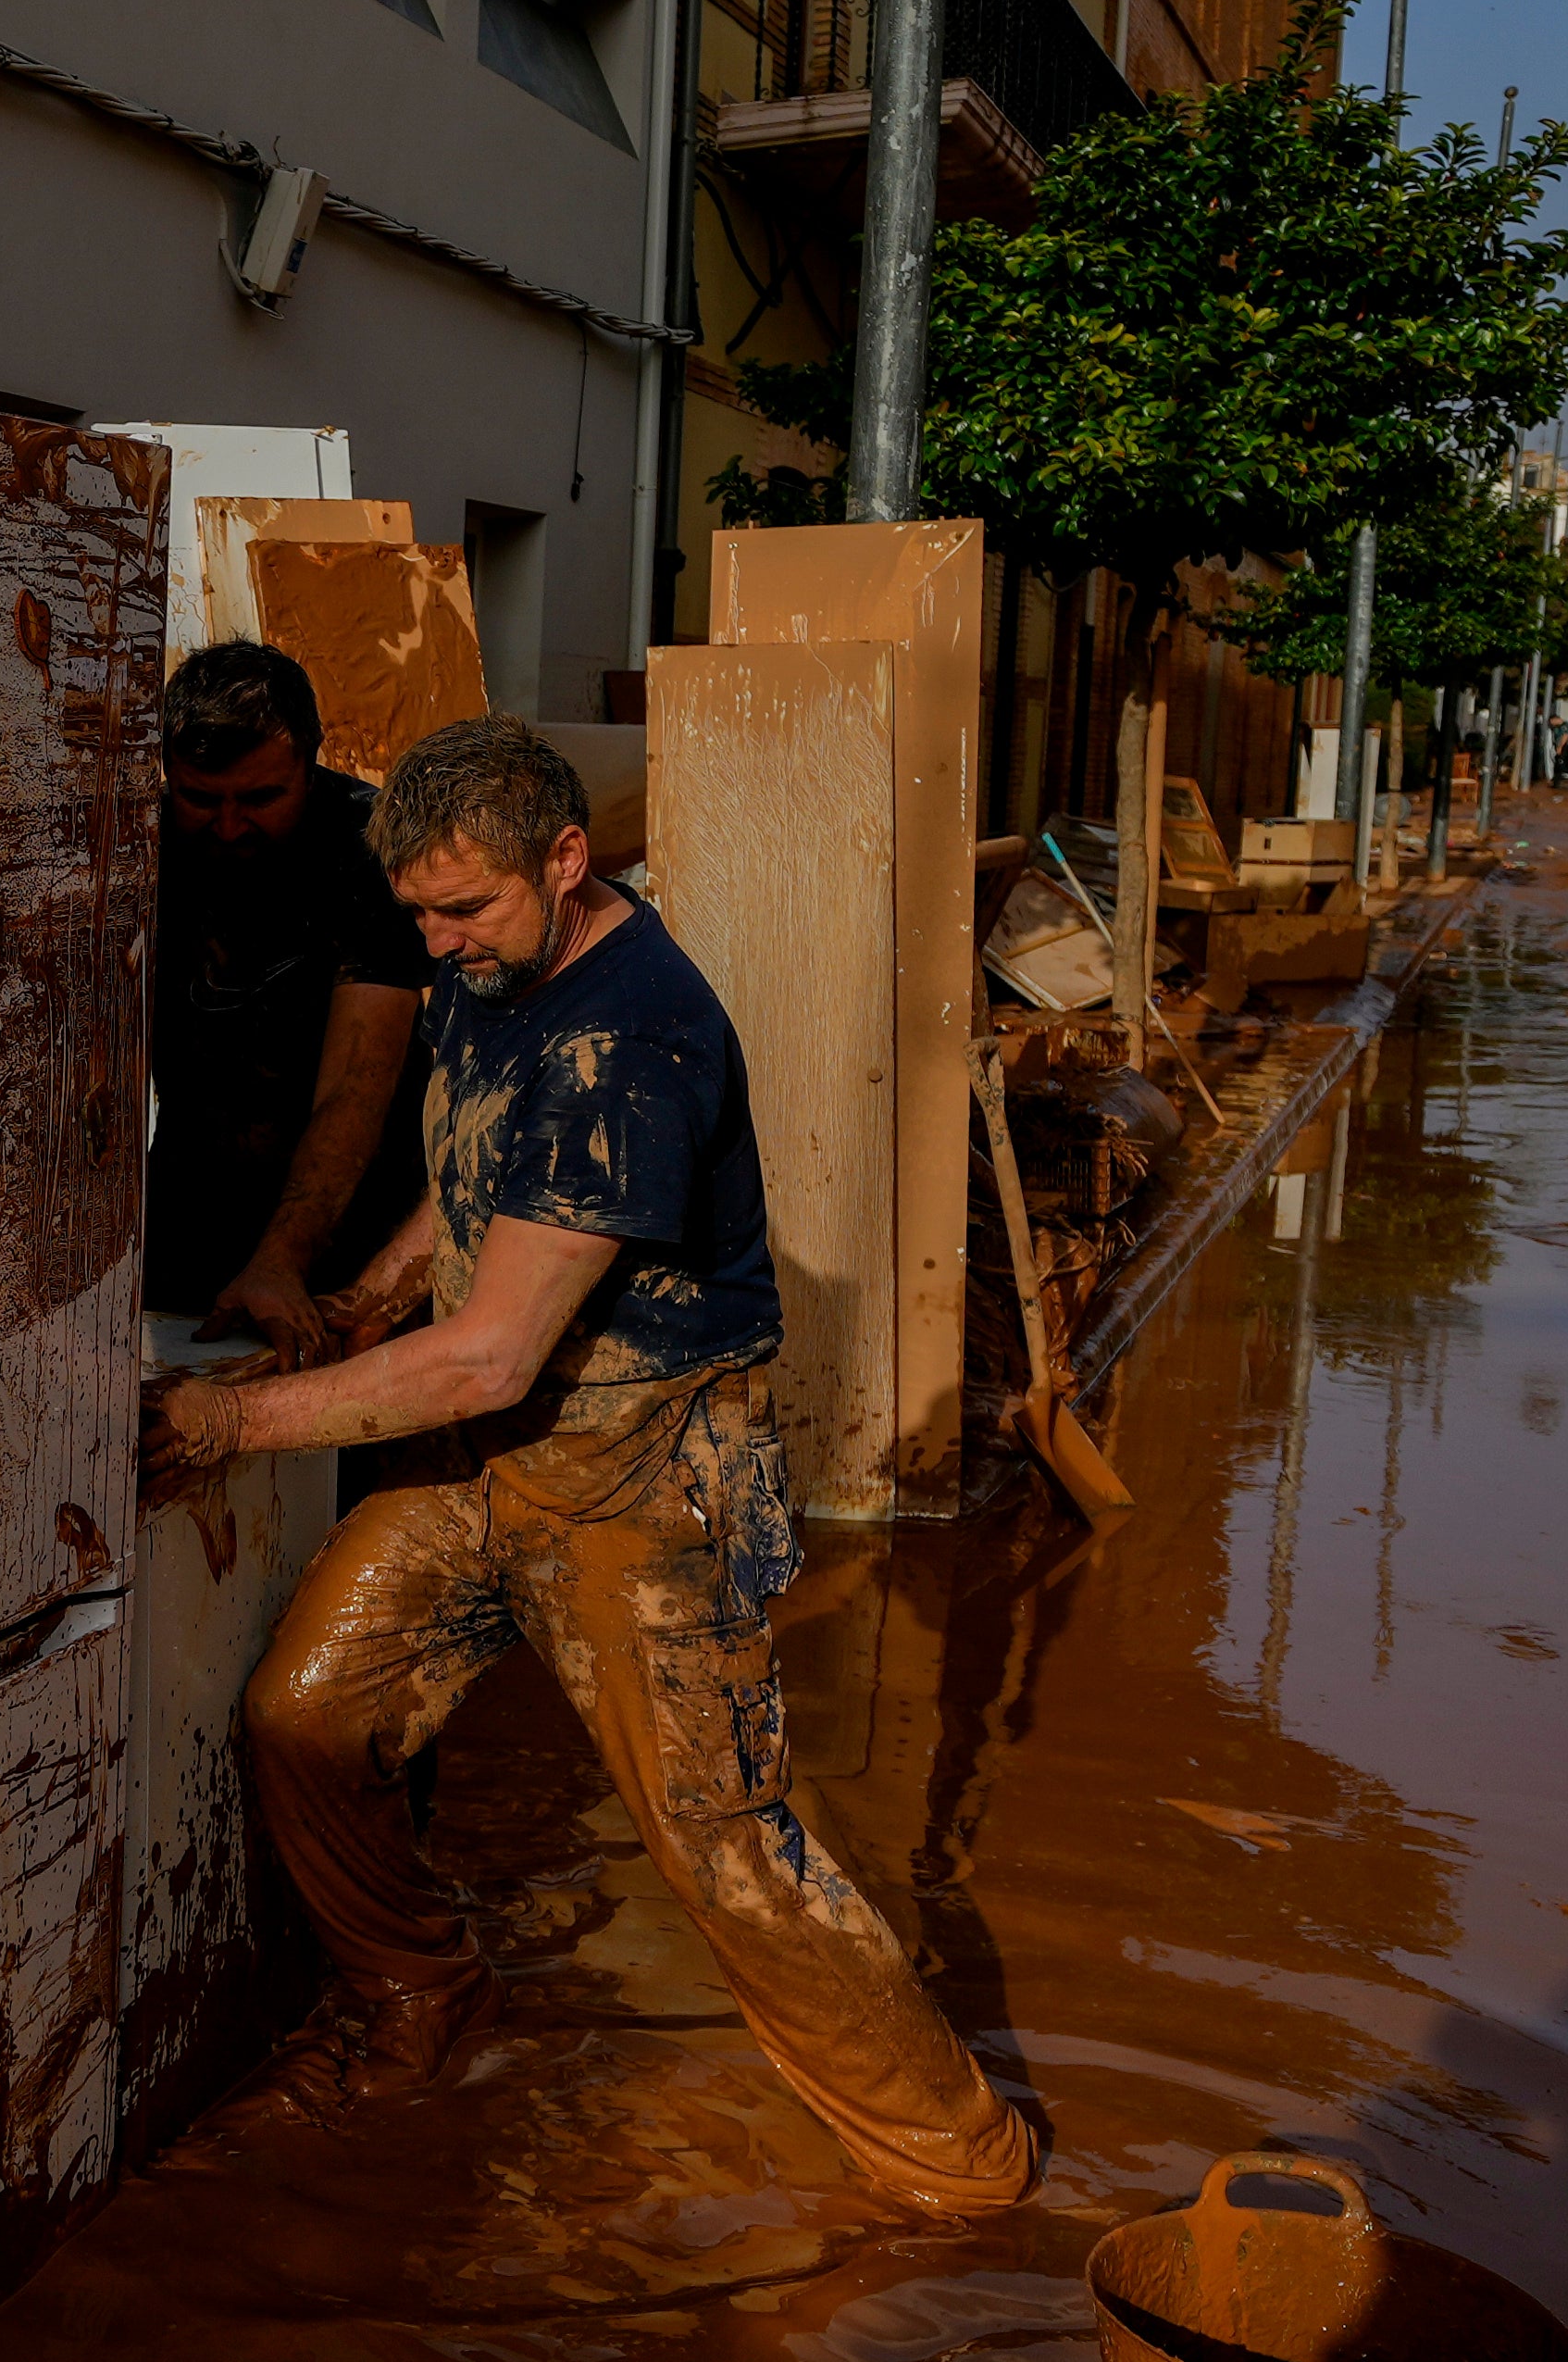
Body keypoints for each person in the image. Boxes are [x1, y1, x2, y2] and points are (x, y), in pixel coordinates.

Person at [141, 717, 1041, 2217]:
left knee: (719, 1853)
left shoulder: (635, 1039)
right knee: (305, 1714)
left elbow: (492, 1349)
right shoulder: (491, 965)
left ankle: (957, 2174)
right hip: (484, 1459)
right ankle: (428, 1993)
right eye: (415, 913)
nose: (433, 943)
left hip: (643, 1470)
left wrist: (227, 1423)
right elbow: (478, 1160)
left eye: (463, 910)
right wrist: (369, 1292)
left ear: (564, 860)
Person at [147, 642, 429, 1357]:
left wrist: (284, 1257)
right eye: (200, 799)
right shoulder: (132, 843)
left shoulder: (367, 847)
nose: (231, 825)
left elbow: (356, 1087)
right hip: (189, 1198)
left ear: (310, 759)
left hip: (351, 1213)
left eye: (262, 798)